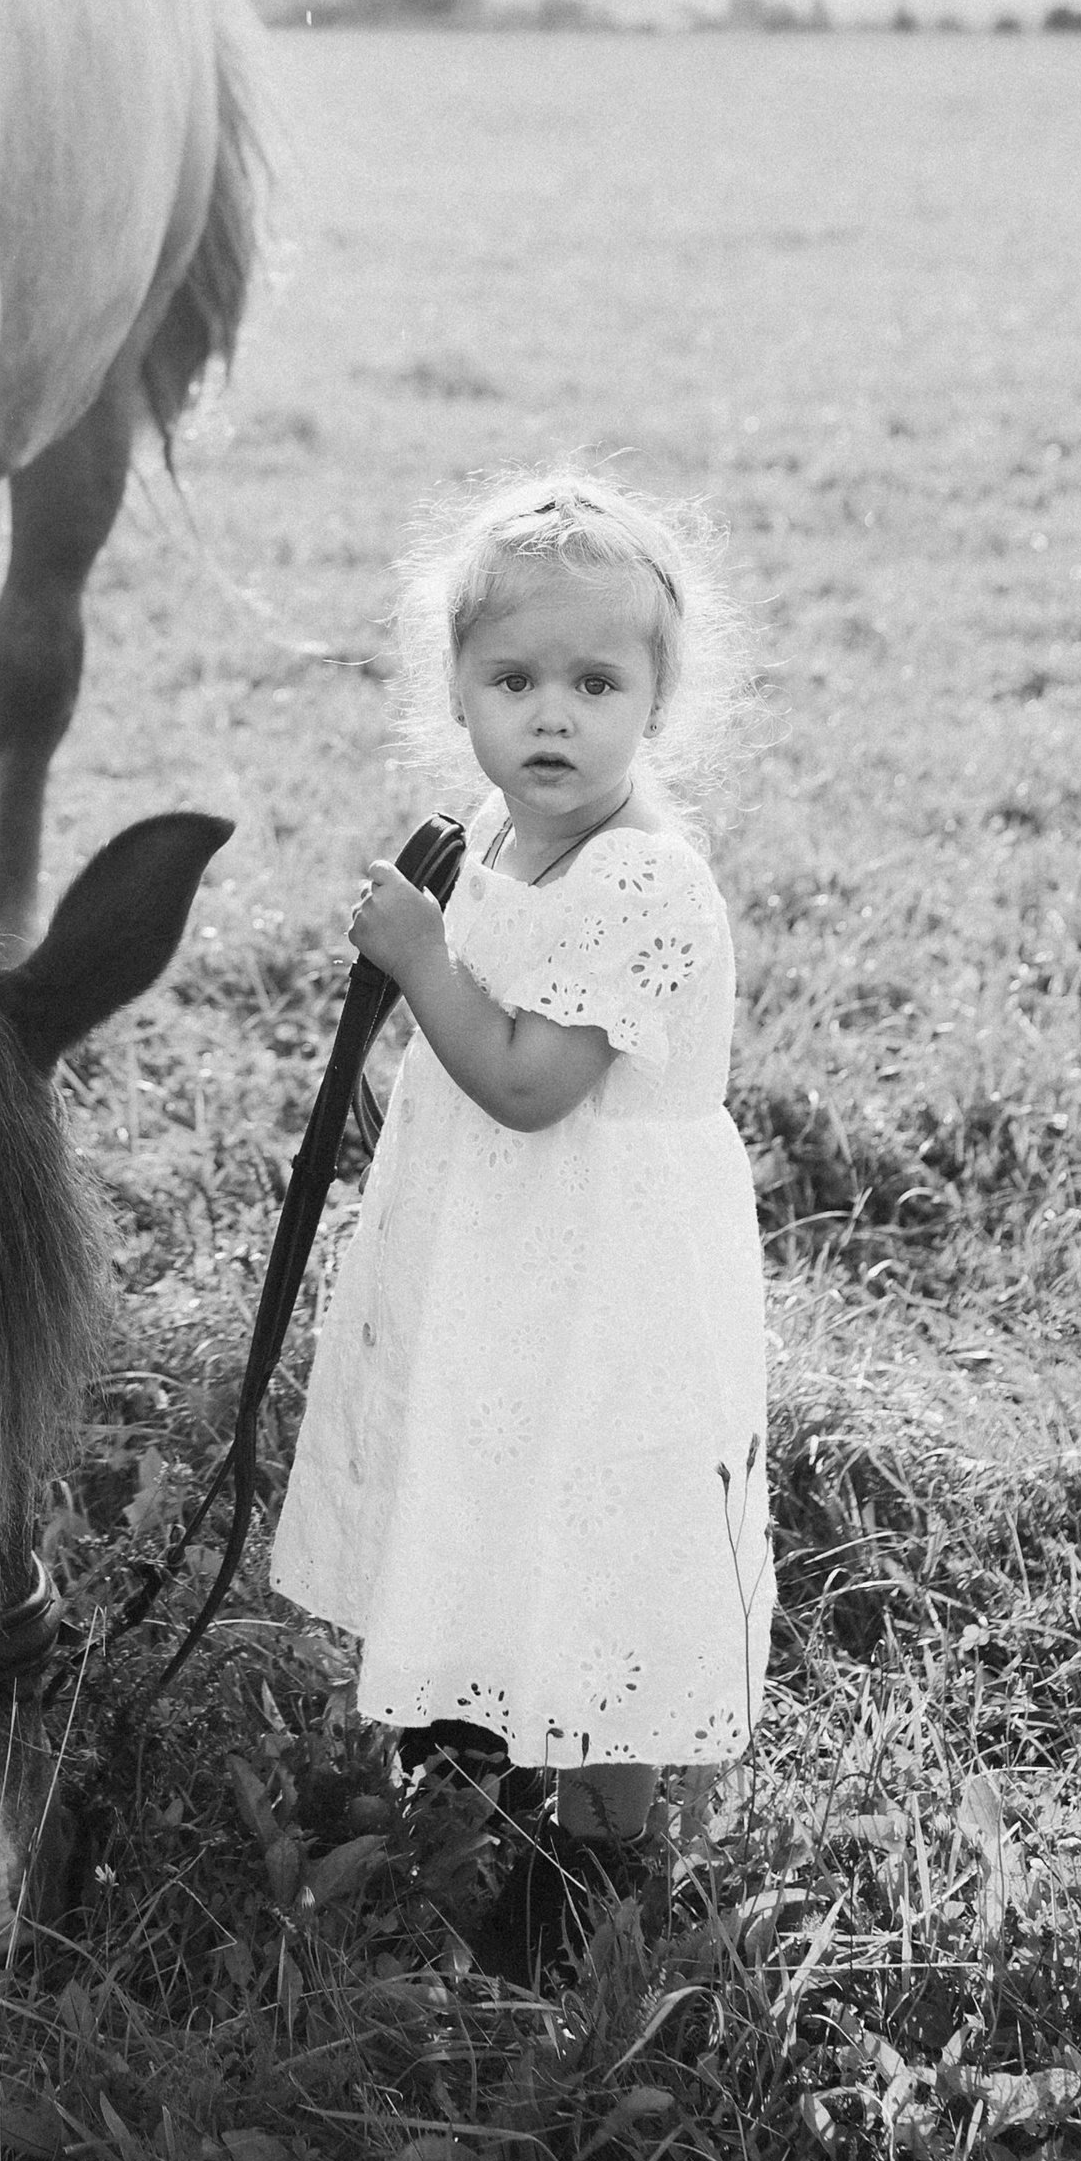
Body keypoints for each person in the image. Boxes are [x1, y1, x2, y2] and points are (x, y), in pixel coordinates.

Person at [270, 466, 767, 1946]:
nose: (554, 716)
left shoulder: (641, 882)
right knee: (489, 1478)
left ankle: (602, 1856)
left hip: (605, 1275)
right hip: (502, 1255)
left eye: (596, 683)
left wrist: (418, 960)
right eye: (515, 680)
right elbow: (471, 1052)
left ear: (658, 701)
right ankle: (469, 1751)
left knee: (599, 1518)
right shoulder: (494, 835)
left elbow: (531, 1083)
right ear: (459, 690)